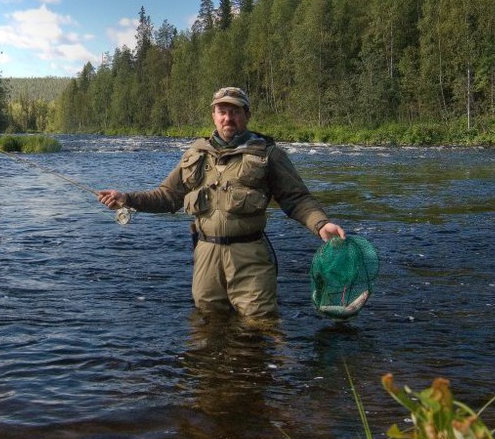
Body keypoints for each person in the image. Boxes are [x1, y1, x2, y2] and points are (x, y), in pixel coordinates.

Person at [97, 86, 345, 319]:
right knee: (207, 320)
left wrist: (321, 224)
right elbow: (167, 196)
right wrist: (127, 198)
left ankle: (262, 366)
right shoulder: (196, 154)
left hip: (249, 254)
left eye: (235, 111)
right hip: (205, 254)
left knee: (258, 322)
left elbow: (296, 198)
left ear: (246, 115)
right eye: (222, 111)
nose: (228, 118)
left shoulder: (268, 154)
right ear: (214, 116)